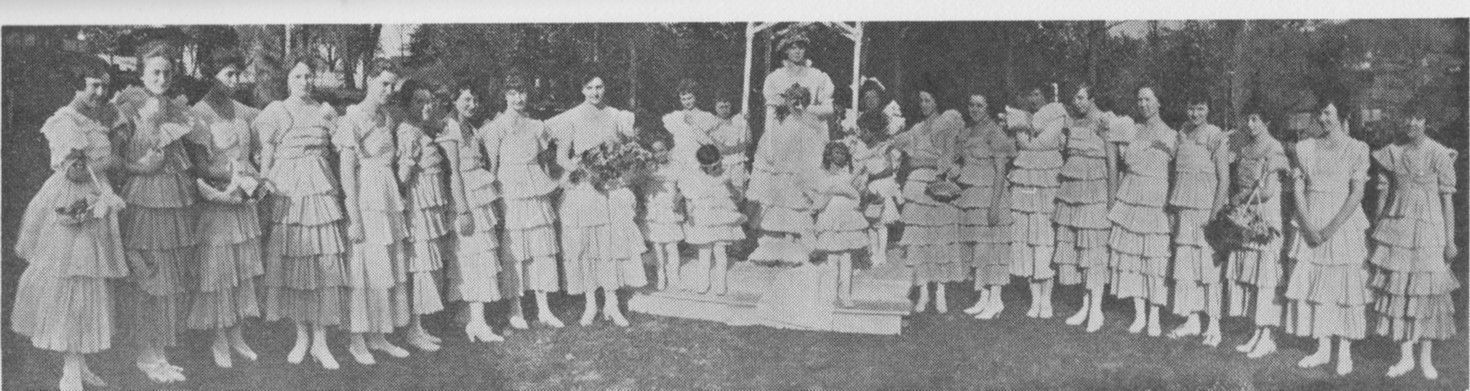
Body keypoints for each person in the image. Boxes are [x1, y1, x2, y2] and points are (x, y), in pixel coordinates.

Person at [10, 64, 128, 391]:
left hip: (96, 196)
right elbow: (75, 170)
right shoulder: (64, 121)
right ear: (78, 86)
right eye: (93, 86)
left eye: (105, 87)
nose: (100, 93)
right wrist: (115, 159)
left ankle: (81, 364)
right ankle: (70, 370)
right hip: (74, 199)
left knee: (90, 282)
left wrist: (114, 140)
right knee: (73, 281)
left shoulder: (95, 118)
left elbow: (94, 161)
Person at [255, 54, 349, 369]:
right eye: (298, 77)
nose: (305, 82)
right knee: (294, 263)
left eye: (309, 76)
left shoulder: (325, 111)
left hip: (320, 191)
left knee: (323, 263)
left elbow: (341, 148)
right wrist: (263, 184)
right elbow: (267, 154)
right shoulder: (276, 112)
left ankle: (321, 341)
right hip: (289, 192)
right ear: (288, 80)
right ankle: (301, 337)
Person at [114, 44, 200, 383]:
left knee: (169, 274)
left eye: (167, 72)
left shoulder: (177, 111)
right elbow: (114, 160)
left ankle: (160, 349)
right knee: (146, 274)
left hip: (173, 203)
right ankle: (144, 352)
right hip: (142, 201)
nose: (162, 78)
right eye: (155, 72)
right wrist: (141, 167)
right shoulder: (128, 107)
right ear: (142, 74)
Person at [549, 72, 649, 327]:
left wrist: (619, 167)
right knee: (586, 246)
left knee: (610, 245)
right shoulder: (571, 117)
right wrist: (580, 168)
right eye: (589, 87)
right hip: (585, 187)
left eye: (599, 86)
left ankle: (613, 303)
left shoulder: (617, 115)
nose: (595, 92)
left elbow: (629, 149)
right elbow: (562, 157)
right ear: (582, 89)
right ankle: (591, 303)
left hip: (611, 188)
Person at [1367, 110, 1458, 379]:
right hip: (1398, 227)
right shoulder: (1393, 152)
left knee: (1426, 291)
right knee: (1400, 289)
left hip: (1430, 229)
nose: (1411, 123)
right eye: (1407, 118)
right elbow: (1382, 194)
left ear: (1426, 121)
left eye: (1417, 118)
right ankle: (1405, 356)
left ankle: (1426, 358)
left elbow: (1447, 200)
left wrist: (1450, 240)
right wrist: (1377, 227)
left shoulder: (1438, 152)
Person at [1282, 101, 1371, 376]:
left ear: (1342, 115)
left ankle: (1343, 350)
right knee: (1315, 285)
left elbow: (1356, 194)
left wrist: (1330, 229)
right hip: (1311, 220)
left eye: (1328, 113)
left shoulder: (1357, 149)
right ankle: (1322, 348)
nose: (1322, 119)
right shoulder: (1305, 147)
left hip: (1342, 223)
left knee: (1342, 285)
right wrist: (1308, 226)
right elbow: (1298, 187)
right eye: (1319, 113)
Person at [188, 51, 264, 368]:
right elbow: (201, 167)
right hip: (218, 201)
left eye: (237, 74)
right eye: (228, 74)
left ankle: (237, 335)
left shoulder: (241, 109)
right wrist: (235, 177)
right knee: (220, 272)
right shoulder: (197, 114)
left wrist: (253, 177)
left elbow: (265, 125)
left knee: (242, 270)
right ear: (211, 76)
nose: (234, 81)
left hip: (243, 201)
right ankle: (219, 338)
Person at [336, 59, 412, 365]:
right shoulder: (352, 118)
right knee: (363, 268)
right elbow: (346, 170)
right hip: (366, 195)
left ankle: (379, 335)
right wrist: (354, 217)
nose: (389, 90)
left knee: (385, 265)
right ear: (369, 80)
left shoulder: (387, 117)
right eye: (384, 83)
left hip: (387, 194)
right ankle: (357, 339)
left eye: (393, 85)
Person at [483, 73, 564, 328]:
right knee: (515, 249)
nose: (518, 98)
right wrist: (493, 197)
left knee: (541, 246)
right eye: (513, 93)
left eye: (522, 92)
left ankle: (544, 308)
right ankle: (515, 309)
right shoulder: (496, 127)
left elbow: (544, 161)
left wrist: (550, 186)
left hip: (535, 188)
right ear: (505, 96)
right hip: (510, 188)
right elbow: (492, 166)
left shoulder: (537, 126)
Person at [441, 80, 510, 341]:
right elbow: (454, 172)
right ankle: (477, 323)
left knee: (479, 255)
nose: (472, 105)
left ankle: (472, 318)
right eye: (466, 99)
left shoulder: (469, 127)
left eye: (475, 100)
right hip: (465, 198)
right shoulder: (451, 127)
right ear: (454, 99)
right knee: (472, 255)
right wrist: (463, 211)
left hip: (478, 195)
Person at [1108, 85, 1176, 337]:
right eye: (1139, 100)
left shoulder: (1170, 134)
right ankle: (1139, 314)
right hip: (1131, 194)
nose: (1143, 104)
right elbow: (1121, 160)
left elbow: (1172, 170)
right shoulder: (1132, 130)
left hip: (1155, 197)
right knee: (1133, 255)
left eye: (1148, 99)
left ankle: (1155, 315)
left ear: (1159, 102)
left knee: (1154, 258)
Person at [1222, 110, 1289, 358]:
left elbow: (1269, 190)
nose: (1250, 125)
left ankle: (1268, 335)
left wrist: (1240, 198)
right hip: (1247, 214)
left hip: (1265, 213)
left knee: (1266, 277)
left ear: (1267, 121)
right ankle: (1257, 331)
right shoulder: (1245, 147)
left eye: (1256, 119)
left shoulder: (1274, 147)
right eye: (1247, 119)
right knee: (1251, 275)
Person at [1166, 97, 1231, 346]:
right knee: (1186, 265)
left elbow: (1224, 180)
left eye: (1200, 108)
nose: (1195, 113)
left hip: (1207, 211)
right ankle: (1192, 319)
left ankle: (1214, 323)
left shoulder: (1216, 136)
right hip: (1185, 209)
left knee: (1208, 267)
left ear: (1209, 109)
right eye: (1191, 107)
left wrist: (1214, 216)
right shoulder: (1181, 133)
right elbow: (1175, 173)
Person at [395, 79, 454, 352]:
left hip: (429, 204)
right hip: (418, 205)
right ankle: (413, 329)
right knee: (419, 264)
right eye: (419, 101)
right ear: (407, 104)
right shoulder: (408, 132)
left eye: (429, 100)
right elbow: (403, 178)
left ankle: (419, 326)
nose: (426, 106)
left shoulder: (421, 129)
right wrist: (407, 161)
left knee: (427, 264)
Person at [1051, 83, 1113, 331]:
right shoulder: (1071, 122)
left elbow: (1112, 162)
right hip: (1073, 189)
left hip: (1095, 189)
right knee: (1078, 247)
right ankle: (1085, 305)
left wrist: (1111, 199)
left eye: (1081, 97)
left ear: (1093, 98)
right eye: (1074, 98)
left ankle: (1097, 309)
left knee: (1093, 249)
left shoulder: (1103, 122)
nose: (1077, 102)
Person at [1006, 84, 1066, 319]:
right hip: (1024, 181)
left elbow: (1041, 143)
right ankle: (1034, 299)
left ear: (1046, 96)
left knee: (1044, 236)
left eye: (1037, 93)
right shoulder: (1019, 117)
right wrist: (1024, 127)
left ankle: (1046, 299)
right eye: (1030, 93)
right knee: (1027, 234)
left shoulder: (1056, 113)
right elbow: (1023, 144)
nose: (1034, 98)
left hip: (1048, 178)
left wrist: (1025, 128)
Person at [748, 84, 826, 265]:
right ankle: (772, 250)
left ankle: (795, 251)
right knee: (776, 212)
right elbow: (769, 145)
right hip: (778, 172)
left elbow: (814, 149)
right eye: (793, 101)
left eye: (801, 101)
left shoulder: (809, 122)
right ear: (787, 102)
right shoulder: (778, 120)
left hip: (798, 173)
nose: (797, 105)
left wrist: (808, 172)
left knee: (795, 211)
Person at [956, 92, 1016, 320]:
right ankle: (983, 297)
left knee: (993, 248)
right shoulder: (968, 131)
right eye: (971, 105)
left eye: (980, 105)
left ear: (988, 107)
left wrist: (995, 206)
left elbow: (1001, 171)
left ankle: (996, 300)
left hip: (991, 196)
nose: (975, 109)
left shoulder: (995, 132)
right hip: (972, 196)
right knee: (979, 249)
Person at [682, 144, 749, 295]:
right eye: (713, 168)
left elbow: (738, 198)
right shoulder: (696, 178)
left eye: (719, 165)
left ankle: (721, 283)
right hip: (703, 218)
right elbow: (690, 198)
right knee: (704, 252)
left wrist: (730, 186)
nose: (717, 170)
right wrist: (690, 214)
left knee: (720, 251)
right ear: (704, 167)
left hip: (721, 219)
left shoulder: (725, 177)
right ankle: (703, 282)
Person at [811, 142, 869, 307]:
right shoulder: (823, 175)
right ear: (829, 155)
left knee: (846, 257)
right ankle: (831, 294)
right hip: (830, 215)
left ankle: (845, 295)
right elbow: (822, 193)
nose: (840, 156)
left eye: (843, 153)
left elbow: (857, 191)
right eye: (836, 153)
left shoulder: (850, 173)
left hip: (847, 215)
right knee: (832, 257)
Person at [760, 29, 834, 134]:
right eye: (793, 48)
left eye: (801, 48)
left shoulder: (816, 76)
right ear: (786, 50)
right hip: (783, 132)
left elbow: (828, 109)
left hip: (809, 130)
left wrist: (806, 107)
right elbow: (771, 112)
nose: (797, 52)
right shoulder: (775, 78)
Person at [641, 130, 686, 290]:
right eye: (655, 151)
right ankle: (661, 277)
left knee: (672, 246)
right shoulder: (648, 167)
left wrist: (678, 198)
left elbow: (685, 186)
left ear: (668, 149)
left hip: (670, 208)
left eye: (662, 150)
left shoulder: (676, 166)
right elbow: (641, 185)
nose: (659, 154)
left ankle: (675, 276)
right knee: (658, 246)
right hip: (654, 209)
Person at [663, 78, 720, 169]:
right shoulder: (675, 116)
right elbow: (674, 141)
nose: (687, 102)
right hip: (678, 160)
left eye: (690, 98)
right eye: (683, 99)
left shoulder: (706, 117)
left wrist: (693, 124)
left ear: (696, 97)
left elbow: (709, 143)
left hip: (697, 159)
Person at [709, 96, 751, 192]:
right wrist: (739, 147)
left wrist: (746, 122)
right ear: (715, 107)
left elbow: (748, 141)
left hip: (737, 165)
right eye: (721, 107)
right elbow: (720, 149)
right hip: (721, 166)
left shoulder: (737, 120)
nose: (724, 110)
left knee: (739, 195)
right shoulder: (712, 123)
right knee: (722, 194)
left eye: (727, 106)